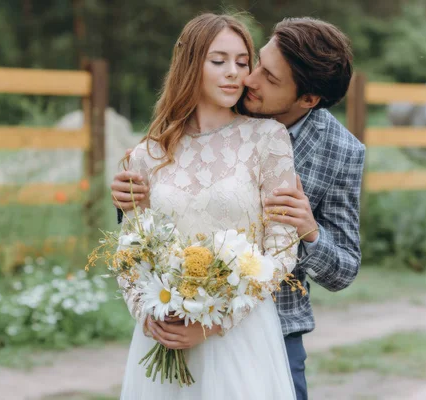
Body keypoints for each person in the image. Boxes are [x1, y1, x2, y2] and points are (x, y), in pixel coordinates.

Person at [112, 16, 366, 400]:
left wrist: (309, 232)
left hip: (272, 328)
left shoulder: (338, 151)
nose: (246, 78)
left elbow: (344, 268)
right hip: (173, 321)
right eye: (257, 62)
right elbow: (159, 214)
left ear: (307, 99)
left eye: (268, 76)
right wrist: (129, 200)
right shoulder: (207, 112)